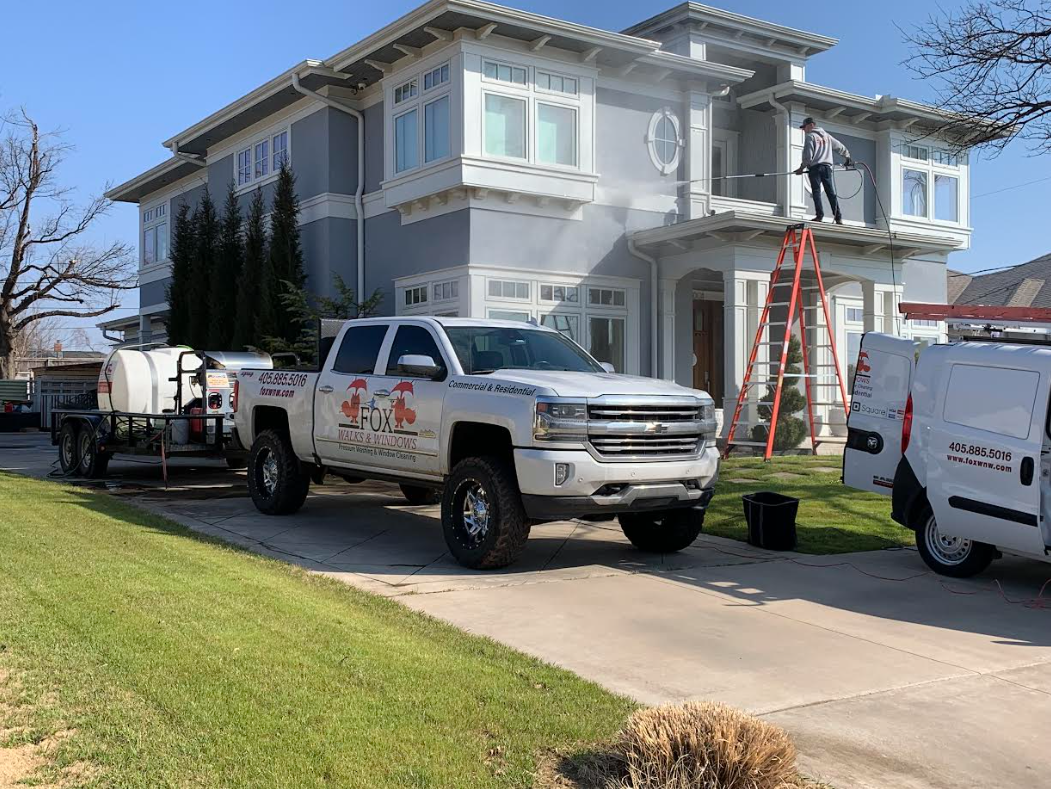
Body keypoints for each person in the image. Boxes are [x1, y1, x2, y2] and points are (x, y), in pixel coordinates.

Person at [794, 117, 853, 224]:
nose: (804, 130)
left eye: (804, 127)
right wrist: (847, 156)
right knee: (830, 192)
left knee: (816, 192)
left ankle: (819, 215)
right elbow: (839, 146)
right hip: (826, 168)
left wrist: (801, 168)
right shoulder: (827, 136)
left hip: (815, 168)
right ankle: (838, 217)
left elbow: (808, 156)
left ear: (811, 125)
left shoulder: (810, 137)